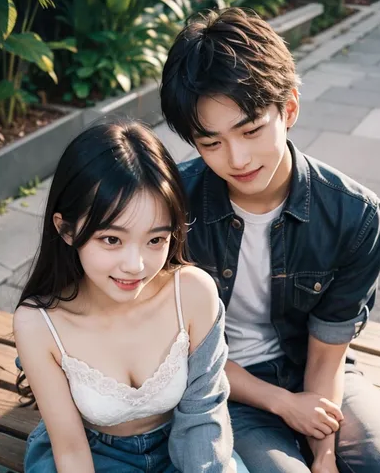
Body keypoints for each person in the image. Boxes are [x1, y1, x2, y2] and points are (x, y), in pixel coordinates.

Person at [160, 7, 380, 473]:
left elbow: (327, 352)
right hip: (222, 382)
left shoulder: (354, 215)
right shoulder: (173, 206)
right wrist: (280, 403)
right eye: (211, 143)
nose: (237, 158)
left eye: (251, 129)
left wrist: (323, 453)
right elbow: (182, 351)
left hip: (314, 369)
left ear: (290, 109)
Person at [13, 119, 236, 472]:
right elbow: (70, 449)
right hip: (92, 453)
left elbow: (203, 415)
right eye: (111, 240)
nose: (135, 265)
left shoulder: (192, 293)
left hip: (183, 441)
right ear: (66, 229)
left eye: (156, 239)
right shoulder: (38, 323)